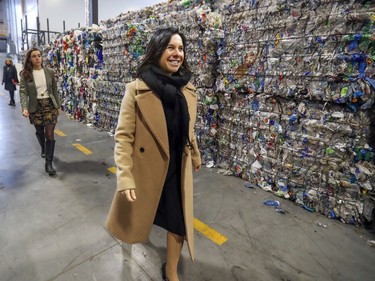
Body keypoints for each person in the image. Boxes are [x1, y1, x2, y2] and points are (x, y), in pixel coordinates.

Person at [105, 27, 201, 281]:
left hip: (176, 170)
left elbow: (188, 129)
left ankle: (171, 272)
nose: (177, 53)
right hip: (147, 169)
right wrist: (124, 176)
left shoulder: (188, 89)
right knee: (140, 220)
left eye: (180, 48)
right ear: (157, 50)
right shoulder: (137, 89)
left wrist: (195, 153)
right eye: (170, 47)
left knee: (179, 225)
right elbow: (123, 137)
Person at [19, 47, 61, 177]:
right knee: (39, 131)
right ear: (30, 59)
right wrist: (24, 107)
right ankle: (43, 147)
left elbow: (54, 89)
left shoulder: (49, 72)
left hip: (49, 105)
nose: (37, 58)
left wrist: (57, 106)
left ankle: (48, 163)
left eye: (39, 55)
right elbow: (23, 91)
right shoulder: (25, 74)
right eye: (34, 56)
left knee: (50, 134)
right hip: (35, 106)